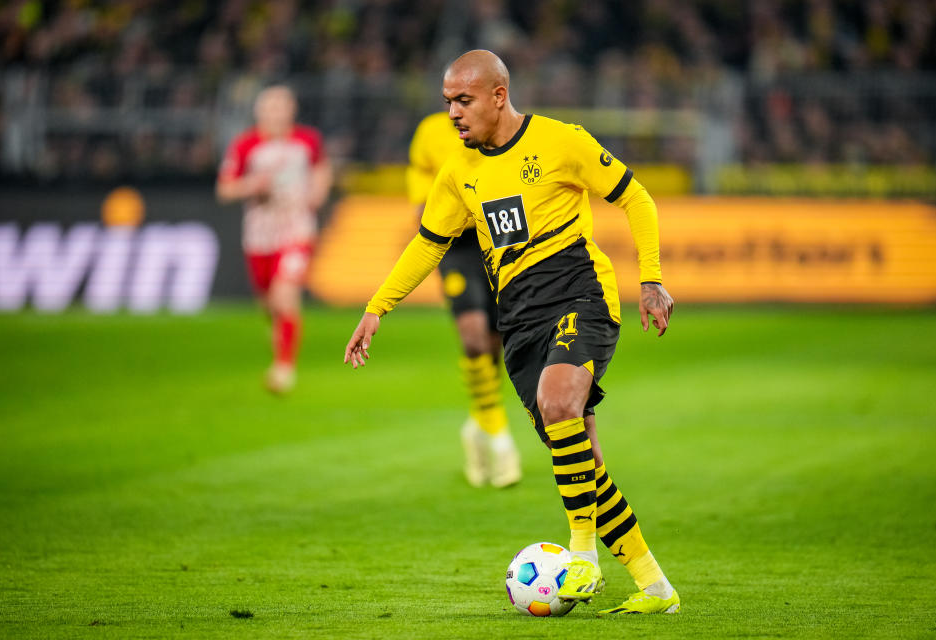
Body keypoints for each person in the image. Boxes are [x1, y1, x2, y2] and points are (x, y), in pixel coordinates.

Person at [344, 50, 678, 614]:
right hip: (519, 322)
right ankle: (656, 588)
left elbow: (635, 197)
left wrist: (650, 279)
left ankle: (581, 559)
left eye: (463, 100)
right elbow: (429, 243)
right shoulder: (459, 172)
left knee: (557, 401)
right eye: (447, 101)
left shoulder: (560, 141)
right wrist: (377, 308)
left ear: (499, 96)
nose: (452, 112)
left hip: (580, 295)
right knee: (584, 464)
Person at [407, 111, 522, 488]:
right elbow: (420, 185)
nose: (458, 105)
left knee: (496, 343)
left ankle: (478, 424)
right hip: (456, 244)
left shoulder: (506, 130)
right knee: (472, 336)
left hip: (498, 241)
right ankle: (501, 437)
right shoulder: (430, 130)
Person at [217, 85, 333, 394]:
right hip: (259, 236)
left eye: (281, 107)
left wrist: (318, 191)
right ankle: (278, 332)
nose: (276, 114)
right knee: (268, 304)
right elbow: (225, 188)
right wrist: (252, 186)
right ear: (259, 112)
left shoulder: (307, 140)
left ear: (291, 110)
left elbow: (322, 169)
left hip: (297, 230)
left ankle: (284, 367)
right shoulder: (245, 145)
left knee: (285, 295)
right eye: (270, 108)